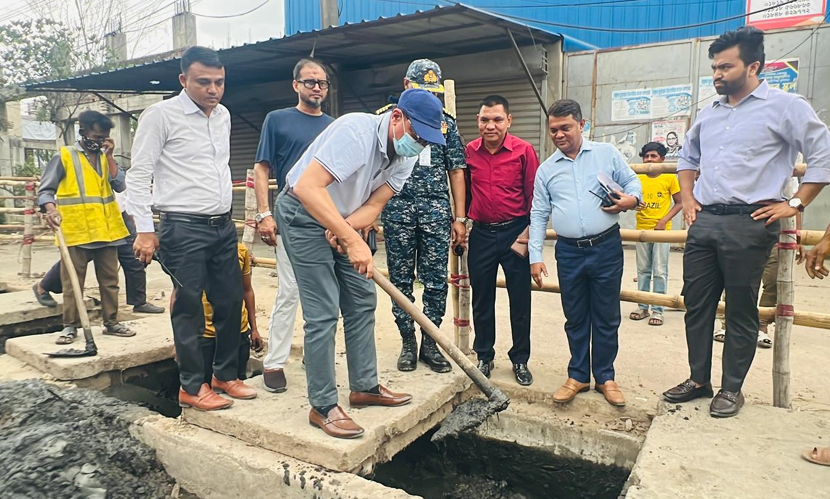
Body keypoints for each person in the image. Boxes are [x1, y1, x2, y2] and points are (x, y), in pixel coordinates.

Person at [663, 27, 830, 418]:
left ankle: (731, 389)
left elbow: (823, 156)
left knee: (741, 309)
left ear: (753, 66)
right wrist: (688, 199)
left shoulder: (786, 107)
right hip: (705, 221)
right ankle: (698, 379)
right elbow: (687, 159)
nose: (717, 74)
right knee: (697, 305)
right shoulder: (710, 113)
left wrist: (794, 202)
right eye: (714, 68)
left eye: (725, 66)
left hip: (750, 222)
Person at [275, 88, 445, 439]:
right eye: (417, 136)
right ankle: (322, 405)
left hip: (344, 215)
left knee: (362, 300)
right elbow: (309, 187)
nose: (420, 146)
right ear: (397, 117)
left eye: (427, 141)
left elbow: (375, 204)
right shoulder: (355, 131)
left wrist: (347, 229)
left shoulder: (407, 153)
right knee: (322, 309)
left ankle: (364, 387)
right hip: (302, 213)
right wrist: (351, 239)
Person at [129, 46, 257, 411]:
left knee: (230, 302)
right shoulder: (161, 116)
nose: (213, 89)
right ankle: (190, 386)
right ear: (184, 80)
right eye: (204, 82)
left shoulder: (224, 116)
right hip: (183, 227)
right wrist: (144, 229)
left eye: (219, 82)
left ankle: (225, 375)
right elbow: (139, 175)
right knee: (189, 306)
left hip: (221, 225)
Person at [529, 99, 641, 407]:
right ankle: (578, 375)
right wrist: (535, 257)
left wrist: (631, 200)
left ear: (582, 124)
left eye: (566, 127)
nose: (559, 134)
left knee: (606, 316)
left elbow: (632, 181)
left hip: (606, 247)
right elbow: (538, 213)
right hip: (569, 252)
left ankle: (605, 377)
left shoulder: (606, 154)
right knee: (575, 316)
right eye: (554, 130)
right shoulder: (547, 170)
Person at [378, 59, 467, 374]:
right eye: (422, 90)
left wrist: (460, 217)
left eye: (434, 92)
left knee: (435, 281)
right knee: (400, 280)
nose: (430, 98)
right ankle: (407, 342)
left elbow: (456, 170)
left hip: (435, 211)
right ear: (406, 85)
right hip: (397, 208)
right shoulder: (390, 120)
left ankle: (431, 343)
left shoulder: (446, 123)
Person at [253, 58, 335, 393]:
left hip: (327, 220)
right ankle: (274, 361)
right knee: (290, 290)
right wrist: (263, 213)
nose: (316, 88)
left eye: (322, 83)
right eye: (310, 82)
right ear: (296, 85)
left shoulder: (334, 126)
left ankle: (316, 356)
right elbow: (262, 169)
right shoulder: (278, 120)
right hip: (291, 218)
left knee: (329, 295)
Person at [37, 110, 137, 345]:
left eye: (104, 137)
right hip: (76, 230)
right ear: (82, 133)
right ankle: (70, 326)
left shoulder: (105, 156)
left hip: (107, 230)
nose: (100, 140)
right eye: (96, 136)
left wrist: (110, 155)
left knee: (110, 281)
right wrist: (51, 210)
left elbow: (120, 184)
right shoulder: (65, 156)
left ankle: (111, 322)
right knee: (72, 283)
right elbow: (46, 190)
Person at [465, 95, 539, 386]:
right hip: (481, 233)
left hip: (515, 232)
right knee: (482, 299)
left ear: (509, 120)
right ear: (478, 122)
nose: (490, 125)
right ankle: (484, 355)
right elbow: (465, 193)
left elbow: (534, 193)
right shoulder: (469, 152)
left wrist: (531, 232)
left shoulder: (524, 151)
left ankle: (520, 359)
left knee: (520, 299)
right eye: (485, 119)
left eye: (497, 119)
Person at [33, 191, 165, 315]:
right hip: (93, 216)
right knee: (80, 258)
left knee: (133, 258)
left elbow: (122, 190)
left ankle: (139, 302)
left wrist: (131, 217)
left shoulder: (112, 168)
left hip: (119, 215)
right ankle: (43, 286)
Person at [629, 142, 681, 327]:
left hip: (661, 232)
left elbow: (679, 202)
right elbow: (630, 200)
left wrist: (663, 221)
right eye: (646, 156)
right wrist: (635, 204)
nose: (649, 160)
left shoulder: (669, 177)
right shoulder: (637, 177)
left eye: (653, 156)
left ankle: (658, 309)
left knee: (660, 271)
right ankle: (642, 306)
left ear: (662, 159)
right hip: (641, 230)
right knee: (643, 270)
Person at [199, 243, 263, 384]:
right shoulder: (195, 251)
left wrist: (254, 329)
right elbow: (181, 296)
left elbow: (247, 290)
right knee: (203, 385)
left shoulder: (240, 250)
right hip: (205, 333)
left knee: (238, 381)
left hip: (237, 330)